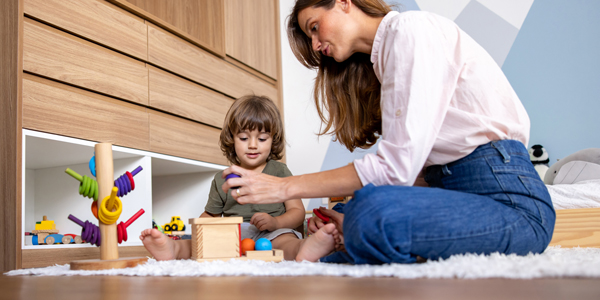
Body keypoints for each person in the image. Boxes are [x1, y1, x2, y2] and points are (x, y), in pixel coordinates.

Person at [221, 0, 555, 264]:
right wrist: (343, 216)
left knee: (371, 212)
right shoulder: (385, 60)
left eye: (314, 27)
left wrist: (282, 187)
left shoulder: (411, 31)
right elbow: (420, 174)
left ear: (343, 2)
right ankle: (347, 244)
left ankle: (350, 246)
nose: (315, 42)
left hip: (513, 205)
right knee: (349, 211)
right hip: (458, 194)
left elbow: (395, 169)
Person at [140, 95, 307, 261]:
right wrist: (200, 231)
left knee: (286, 243)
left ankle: (304, 248)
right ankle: (175, 248)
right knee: (203, 244)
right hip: (233, 235)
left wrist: (276, 223)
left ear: (273, 139)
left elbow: (297, 211)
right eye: (243, 138)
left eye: (262, 138)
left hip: (273, 233)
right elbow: (211, 216)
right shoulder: (222, 179)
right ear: (232, 139)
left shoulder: (280, 171)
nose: (253, 145)